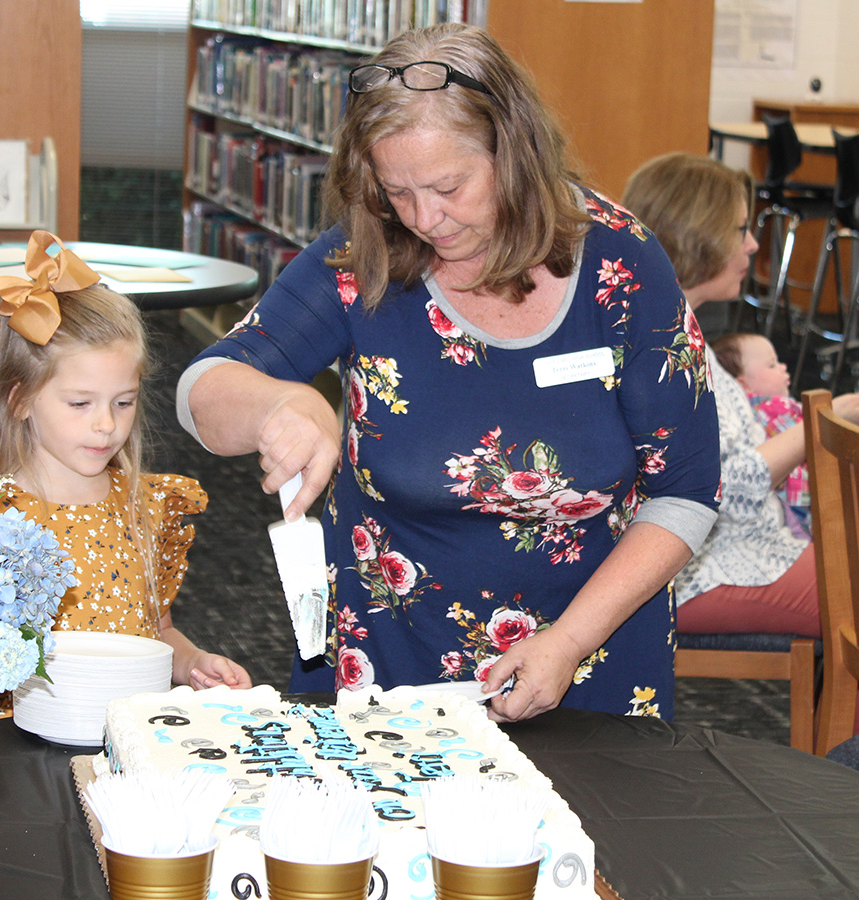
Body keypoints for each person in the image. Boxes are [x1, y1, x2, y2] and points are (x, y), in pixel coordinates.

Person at [177, 25, 720, 723]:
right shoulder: (366, 257)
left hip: (592, 661)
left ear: (514, 153)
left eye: (448, 186)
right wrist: (280, 406)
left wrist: (569, 643)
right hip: (390, 673)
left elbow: (687, 492)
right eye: (396, 189)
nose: (426, 218)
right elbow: (201, 391)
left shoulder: (621, 264)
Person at [0, 230, 251, 720]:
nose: (106, 424)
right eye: (80, 404)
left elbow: (156, 632)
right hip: (23, 752)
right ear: (20, 400)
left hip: (128, 742)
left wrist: (192, 663)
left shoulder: (147, 505)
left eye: (124, 402)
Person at [622, 152, 859, 640]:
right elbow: (723, 490)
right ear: (695, 235)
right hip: (704, 566)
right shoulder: (664, 346)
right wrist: (822, 422)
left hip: (731, 547)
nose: (752, 245)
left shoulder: (678, 332)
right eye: (737, 230)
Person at [712, 331, 811, 529]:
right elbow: (818, 442)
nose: (783, 367)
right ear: (743, 385)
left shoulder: (738, 414)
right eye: (772, 365)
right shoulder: (775, 408)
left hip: (782, 506)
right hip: (803, 504)